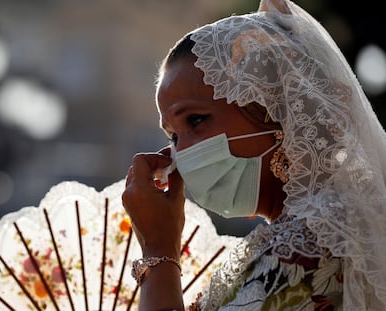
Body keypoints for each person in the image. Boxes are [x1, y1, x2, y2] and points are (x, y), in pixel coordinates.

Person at [122, 0, 386, 309]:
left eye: (196, 120)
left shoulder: (317, 243)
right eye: (174, 137)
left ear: (275, 110)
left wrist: (158, 248)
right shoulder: (305, 234)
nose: (179, 155)